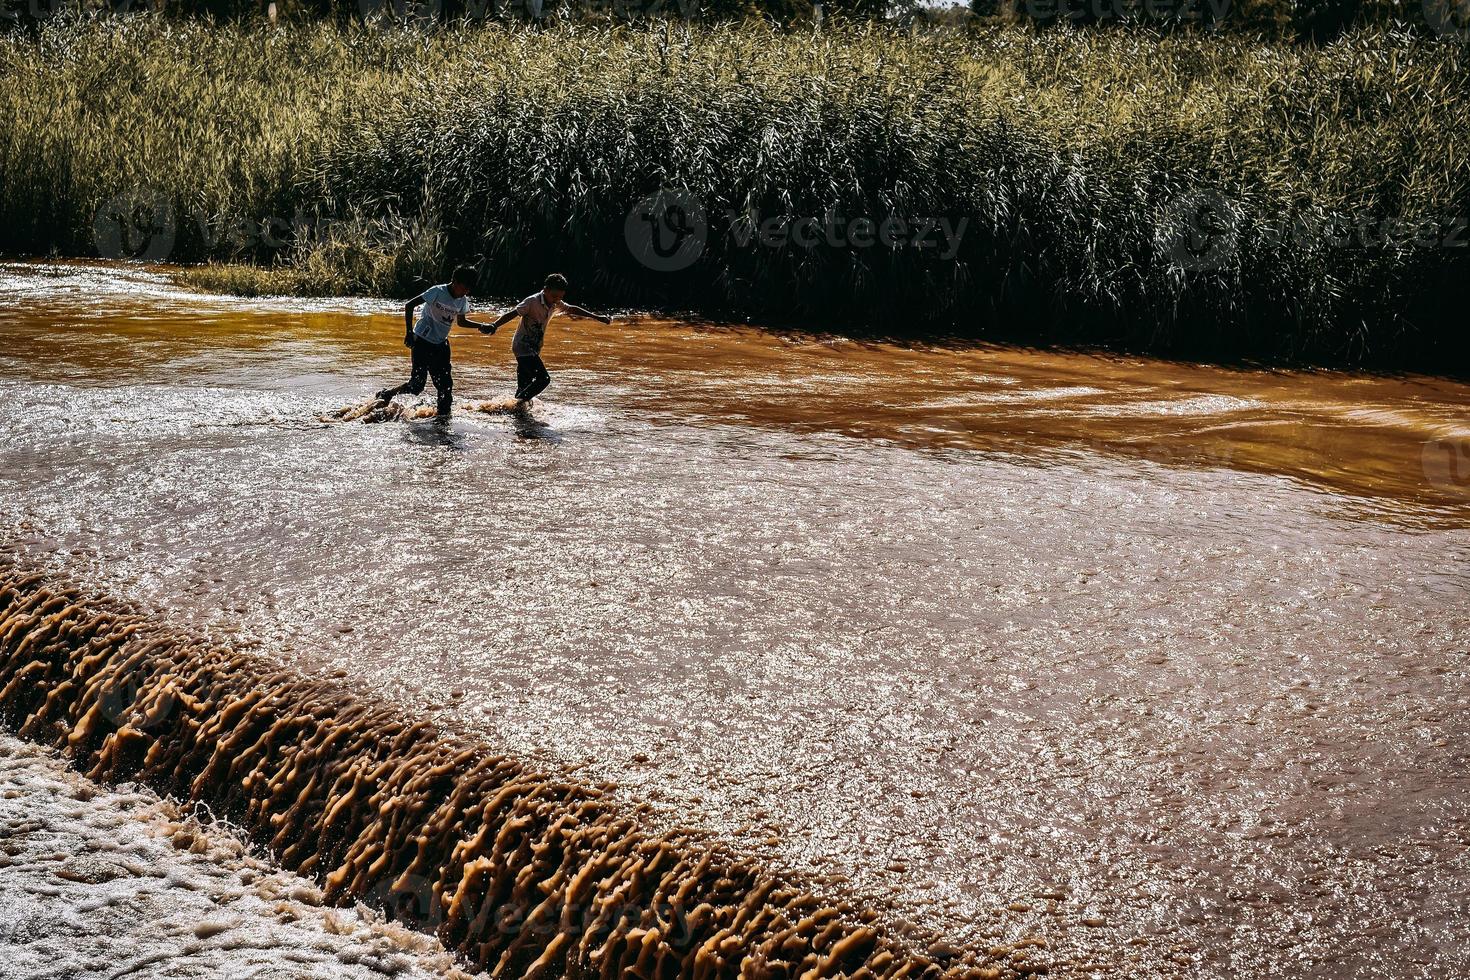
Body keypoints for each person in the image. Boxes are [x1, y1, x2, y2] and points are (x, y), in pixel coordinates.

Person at [376, 265, 498, 419]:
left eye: (469, 288)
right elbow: (409, 305)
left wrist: (481, 326)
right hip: (422, 341)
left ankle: (442, 421)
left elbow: (461, 322)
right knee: (417, 385)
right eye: (465, 287)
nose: (466, 291)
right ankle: (387, 394)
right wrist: (408, 333)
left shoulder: (462, 301)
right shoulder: (437, 292)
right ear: (455, 281)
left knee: (446, 387)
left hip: (441, 345)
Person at [486, 273, 612, 405]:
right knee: (544, 379)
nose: (556, 300)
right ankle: (516, 405)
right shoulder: (532, 301)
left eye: (560, 297)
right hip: (522, 347)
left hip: (534, 348)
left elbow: (572, 309)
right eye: (554, 296)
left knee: (525, 385)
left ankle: (514, 408)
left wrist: (597, 317)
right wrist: (495, 325)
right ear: (545, 290)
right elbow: (512, 313)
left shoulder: (556, 303)